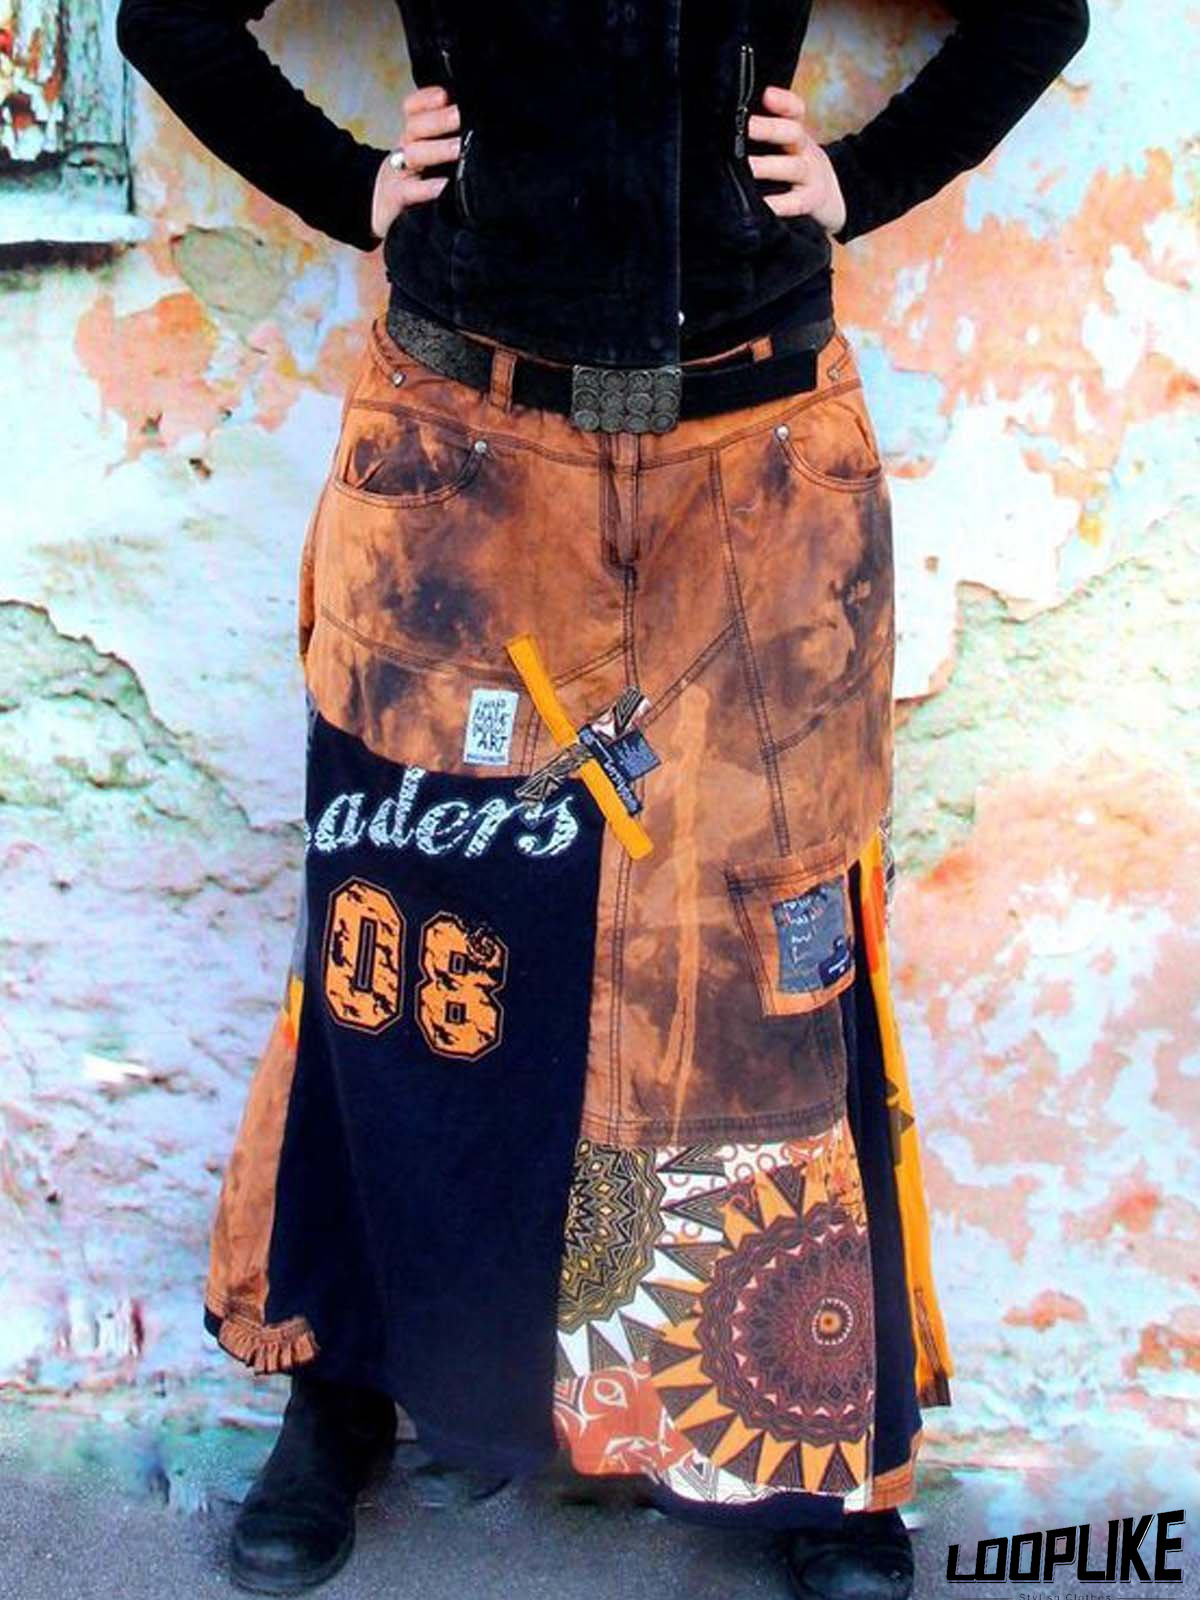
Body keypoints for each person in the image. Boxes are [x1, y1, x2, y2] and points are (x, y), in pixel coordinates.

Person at [114, 2, 1090, 1595]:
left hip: (757, 461)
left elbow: (1037, 14)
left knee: (774, 955)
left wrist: (869, 174)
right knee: (409, 946)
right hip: (462, 461)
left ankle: (807, 1443)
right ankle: (343, 1384)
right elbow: (169, 18)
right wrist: (352, 183)